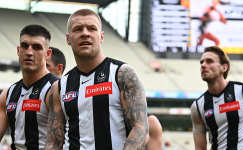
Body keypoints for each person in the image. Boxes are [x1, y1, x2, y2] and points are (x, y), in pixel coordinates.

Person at [45, 9, 148, 150]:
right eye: (78, 29)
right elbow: (54, 141)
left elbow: (140, 128)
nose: (85, 33)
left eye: (92, 28)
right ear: (68, 39)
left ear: (101, 36)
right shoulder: (60, 86)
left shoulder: (122, 74)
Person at [190, 46, 243, 149]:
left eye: (209, 61)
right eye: (201, 62)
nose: (203, 65)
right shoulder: (197, 106)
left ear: (224, 67)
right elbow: (200, 148)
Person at [0, 24, 58, 149]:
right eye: (25, 46)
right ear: (18, 50)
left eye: (37, 47)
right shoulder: (8, 94)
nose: (29, 52)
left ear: (47, 54)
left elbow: (58, 144)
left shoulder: (56, 89)